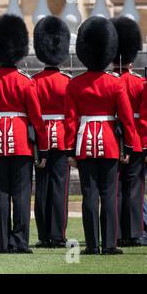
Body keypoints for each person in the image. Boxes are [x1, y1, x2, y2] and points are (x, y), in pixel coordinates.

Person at [0, 14, 48, 254]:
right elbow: (37, 119)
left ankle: (3, 242)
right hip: (20, 143)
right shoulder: (26, 82)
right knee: (21, 193)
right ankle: (20, 241)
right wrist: (43, 147)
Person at [65, 16, 136, 255]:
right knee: (108, 195)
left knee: (89, 196)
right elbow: (126, 119)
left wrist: (69, 150)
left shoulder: (75, 84)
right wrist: (129, 146)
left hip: (84, 143)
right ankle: (109, 244)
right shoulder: (115, 84)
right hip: (108, 144)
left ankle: (92, 245)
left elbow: (70, 121)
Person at [32, 16, 71, 248]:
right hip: (62, 136)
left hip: (41, 137)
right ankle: (58, 235)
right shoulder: (67, 81)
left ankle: (44, 234)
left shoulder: (34, 81)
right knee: (59, 187)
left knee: (42, 187)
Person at [111, 17, 146, 247]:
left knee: (116, 188)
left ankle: (118, 233)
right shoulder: (139, 83)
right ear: (131, 60)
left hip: (111, 138)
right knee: (133, 186)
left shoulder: (108, 80)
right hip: (136, 139)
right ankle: (134, 233)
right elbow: (143, 117)